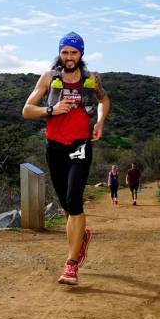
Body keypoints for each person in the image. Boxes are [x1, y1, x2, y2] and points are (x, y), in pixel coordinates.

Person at [22, 31, 110, 286]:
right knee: (67, 207)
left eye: (73, 52)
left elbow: (103, 99)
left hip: (80, 145)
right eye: (65, 52)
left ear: (81, 54)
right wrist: (51, 109)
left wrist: (100, 122)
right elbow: (27, 110)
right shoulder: (49, 77)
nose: (69, 57)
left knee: (74, 201)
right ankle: (81, 239)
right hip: (55, 148)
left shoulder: (91, 79)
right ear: (60, 53)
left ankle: (71, 265)